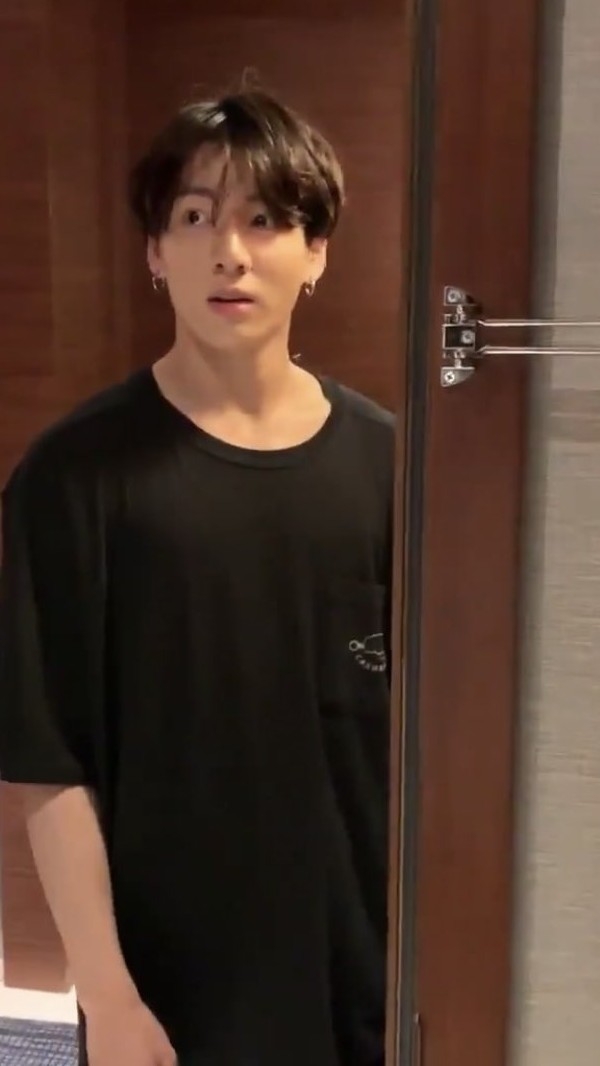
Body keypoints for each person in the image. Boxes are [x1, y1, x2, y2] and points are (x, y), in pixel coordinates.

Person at [0, 86, 395, 1066]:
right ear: (154, 251)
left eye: (266, 220)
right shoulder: (74, 476)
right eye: (194, 217)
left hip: (364, 982)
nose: (230, 252)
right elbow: (46, 764)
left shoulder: (393, 467)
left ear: (317, 251)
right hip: (164, 996)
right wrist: (108, 997)